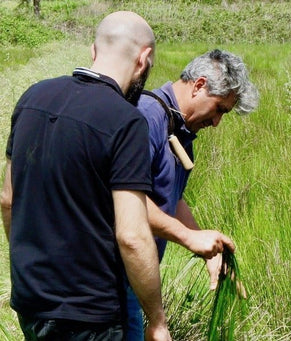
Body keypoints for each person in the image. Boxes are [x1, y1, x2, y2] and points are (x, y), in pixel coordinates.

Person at [0, 11, 171, 341]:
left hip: (31, 304)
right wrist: (157, 320)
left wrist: (32, 271)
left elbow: (8, 199)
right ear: (144, 59)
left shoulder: (32, 98)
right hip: (90, 317)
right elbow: (132, 237)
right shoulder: (126, 121)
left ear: (94, 51)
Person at [124, 48, 259, 340]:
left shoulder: (180, 131)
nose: (216, 122)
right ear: (199, 86)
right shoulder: (146, 118)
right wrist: (189, 238)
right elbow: (126, 200)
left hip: (132, 280)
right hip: (109, 281)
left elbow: (172, 198)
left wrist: (207, 252)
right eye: (220, 109)